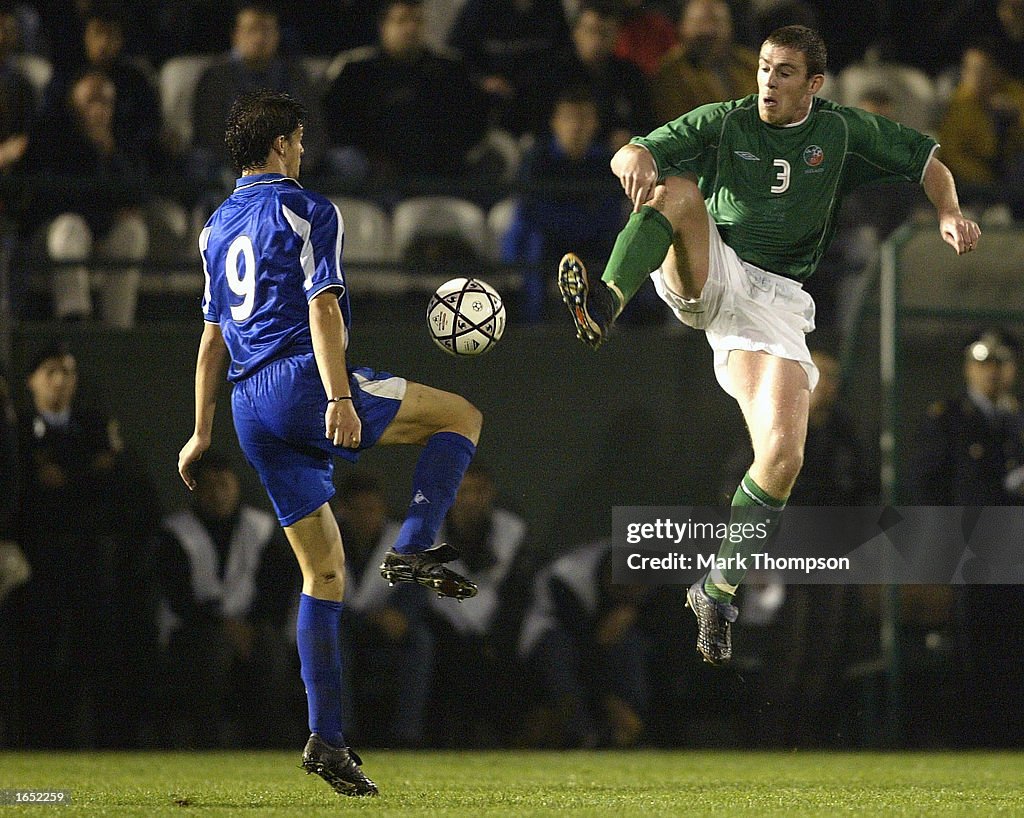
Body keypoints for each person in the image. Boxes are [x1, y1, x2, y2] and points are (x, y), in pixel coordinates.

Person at [557, 25, 981, 666]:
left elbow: (930, 164)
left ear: (814, 84)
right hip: (715, 266)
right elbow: (636, 154)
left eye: (785, 72)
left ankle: (718, 588)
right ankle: (604, 301)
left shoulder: (840, 130)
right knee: (679, 193)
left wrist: (948, 211)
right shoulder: (726, 120)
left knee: (782, 457)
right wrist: (632, 154)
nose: (768, 82)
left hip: (776, 306)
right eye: (763, 68)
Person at [177, 89, 483, 797]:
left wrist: (200, 432)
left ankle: (327, 738)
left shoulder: (214, 226)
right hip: (301, 381)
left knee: (325, 575)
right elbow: (321, 305)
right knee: (460, 416)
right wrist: (340, 394)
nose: (305, 152)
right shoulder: (309, 208)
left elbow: (211, 340)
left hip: (249, 405)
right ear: (283, 145)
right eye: (302, 142)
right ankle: (415, 544)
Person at [154, 452, 300, 748]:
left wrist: (252, 626)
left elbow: (277, 589)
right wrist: (222, 626)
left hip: (252, 626)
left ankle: (264, 746)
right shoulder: (176, 532)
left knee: (271, 651)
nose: (218, 494)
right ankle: (207, 743)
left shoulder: (260, 528)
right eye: (209, 486)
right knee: (212, 653)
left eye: (225, 485)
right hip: (195, 629)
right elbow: (177, 596)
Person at [20, 70, 150, 326]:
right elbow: (55, 200)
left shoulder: (121, 141)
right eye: (91, 101)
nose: (99, 109)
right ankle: (75, 318)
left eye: (105, 102)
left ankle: (118, 325)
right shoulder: (54, 138)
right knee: (70, 227)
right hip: (52, 235)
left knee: (132, 231)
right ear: (73, 104)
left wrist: (110, 154)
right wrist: (101, 218)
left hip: (102, 230)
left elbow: (138, 196)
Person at [321, 0, 489, 181]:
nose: (410, 28)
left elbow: (471, 121)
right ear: (383, 27)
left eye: (417, 20)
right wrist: (373, 157)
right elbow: (337, 123)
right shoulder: (356, 70)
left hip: (439, 170)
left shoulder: (449, 69)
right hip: (371, 173)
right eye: (401, 21)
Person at [500, 86, 623, 322]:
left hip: (593, 240)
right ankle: (532, 325)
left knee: (621, 249)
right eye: (569, 118)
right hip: (549, 242)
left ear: (595, 123)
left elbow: (611, 215)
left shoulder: (606, 163)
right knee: (531, 243)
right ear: (555, 122)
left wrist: (581, 228)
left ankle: (608, 326)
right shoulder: (537, 160)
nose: (576, 126)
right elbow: (529, 212)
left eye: (584, 118)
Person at [331, 469, 433, 749]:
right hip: (343, 626)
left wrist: (401, 615)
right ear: (343, 510)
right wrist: (365, 616)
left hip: (388, 631)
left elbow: (416, 587)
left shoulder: (402, 540)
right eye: (358, 510)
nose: (366, 517)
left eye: (373, 509)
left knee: (420, 640)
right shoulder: (327, 540)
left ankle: (407, 736)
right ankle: (342, 734)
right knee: (332, 640)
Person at [651, 0, 759, 123]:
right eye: (699, 22)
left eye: (717, 22)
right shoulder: (671, 72)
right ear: (682, 26)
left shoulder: (750, 64)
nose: (709, 30)